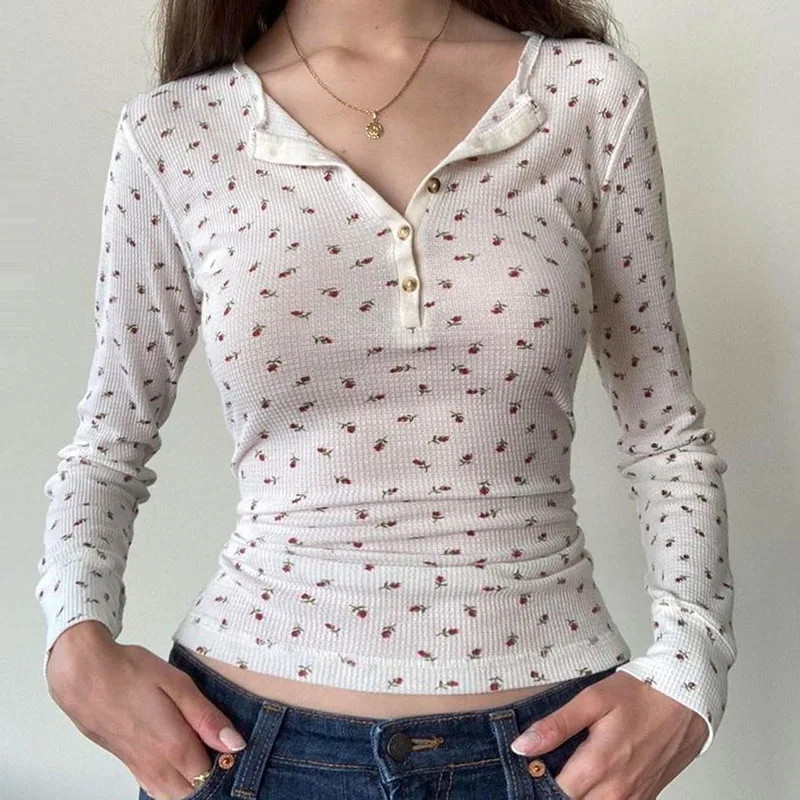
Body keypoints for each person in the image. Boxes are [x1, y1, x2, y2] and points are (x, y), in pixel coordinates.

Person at [37, 1, 737, 798]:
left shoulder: (585, 93)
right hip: (242, 751)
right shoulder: (175, 129)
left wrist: (693, 668)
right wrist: (74, 643)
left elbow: (665, 432)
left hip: (552, 748)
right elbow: (109, 442)